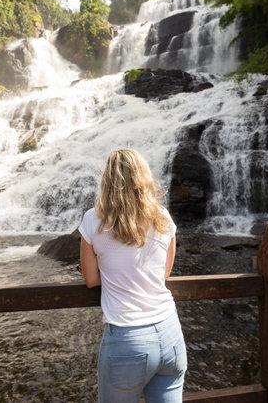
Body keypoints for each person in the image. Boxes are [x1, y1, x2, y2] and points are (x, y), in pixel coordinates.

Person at [79, 149, 187, 403]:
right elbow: (165, 273)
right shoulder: (163, 217)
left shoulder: (94, 220)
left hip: (127, 338)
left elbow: (91, 279)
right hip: (170, 331)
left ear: (107, 181)